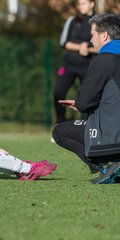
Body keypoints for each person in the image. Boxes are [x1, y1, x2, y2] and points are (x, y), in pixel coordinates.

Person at [52, 13, 120, 184]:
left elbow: (84, 102)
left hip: (112, 137)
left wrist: (81, 104)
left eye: (92, 35)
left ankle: (106, 165)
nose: (91, 40)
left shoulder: (103, 60)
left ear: (104, 35)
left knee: (59, 131)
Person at [53, 0, 97, 124]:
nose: (81, 6)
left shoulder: (98, 22)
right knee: (58, 92)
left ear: (92, 4)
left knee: (86, 98)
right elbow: (64, 42)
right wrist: (80, 47)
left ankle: (84, 126)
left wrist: (88, 49)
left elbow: (103, 45)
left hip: (88, 65)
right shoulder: (72, 21)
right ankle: (60, 123)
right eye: (79, 4)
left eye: (84, 3)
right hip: (69, 64)